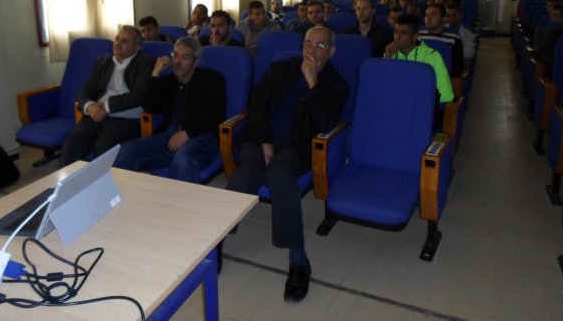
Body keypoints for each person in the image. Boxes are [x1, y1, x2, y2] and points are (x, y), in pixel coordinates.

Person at [225, 26, 349, 303]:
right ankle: (216, 240)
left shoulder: (336, 85)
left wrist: (313, 84)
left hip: (297, 147)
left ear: (331, 51)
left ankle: (298, 258)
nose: (311, 50)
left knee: (280, 176)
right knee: (247, 174)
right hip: (260, 138)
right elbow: (256, 103)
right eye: (307, 43)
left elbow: (325, 124)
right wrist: (264, 140)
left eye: (319, 46)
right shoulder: (281, 67)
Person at [113, 37, 226, 183]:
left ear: (196, 62)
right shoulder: (168, 81)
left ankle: (178, 198)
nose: (177, 61)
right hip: (170, 134)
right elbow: (150, 107)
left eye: (185, 57)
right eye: (175, 55)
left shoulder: (212, 79)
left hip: (203, 135)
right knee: (123, 152)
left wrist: (188, 132)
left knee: (183, 160)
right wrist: (155, 75)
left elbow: (215, 115)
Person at [59, 26, 155, 167]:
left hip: (127, 119)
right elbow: (85, 89)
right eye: (117, 38)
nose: (118, 43)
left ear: (136, 47)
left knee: (103, 147)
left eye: (124, 41)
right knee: (73, 141)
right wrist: (90, 106)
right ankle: (67, 180)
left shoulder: (145, 62)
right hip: (97, 114)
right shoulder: (102, 62)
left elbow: (138, 96)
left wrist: (105, 106)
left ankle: (101, 181)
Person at [384, 14, 453, 106]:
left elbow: (446, 94)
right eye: (396, 32)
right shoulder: (390, 54)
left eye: (404, 33)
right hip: (393, 104)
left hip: (420, 106)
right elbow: (382, 87)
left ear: (415, 36)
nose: (398, 37)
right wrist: (387, 61)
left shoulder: (432, 56)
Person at [420, 4, 464, 77]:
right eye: (426, 15)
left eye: (433, 15)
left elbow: (457, 69)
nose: (428, 18)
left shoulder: (453, 38)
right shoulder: (417, 34)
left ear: (444, 19)